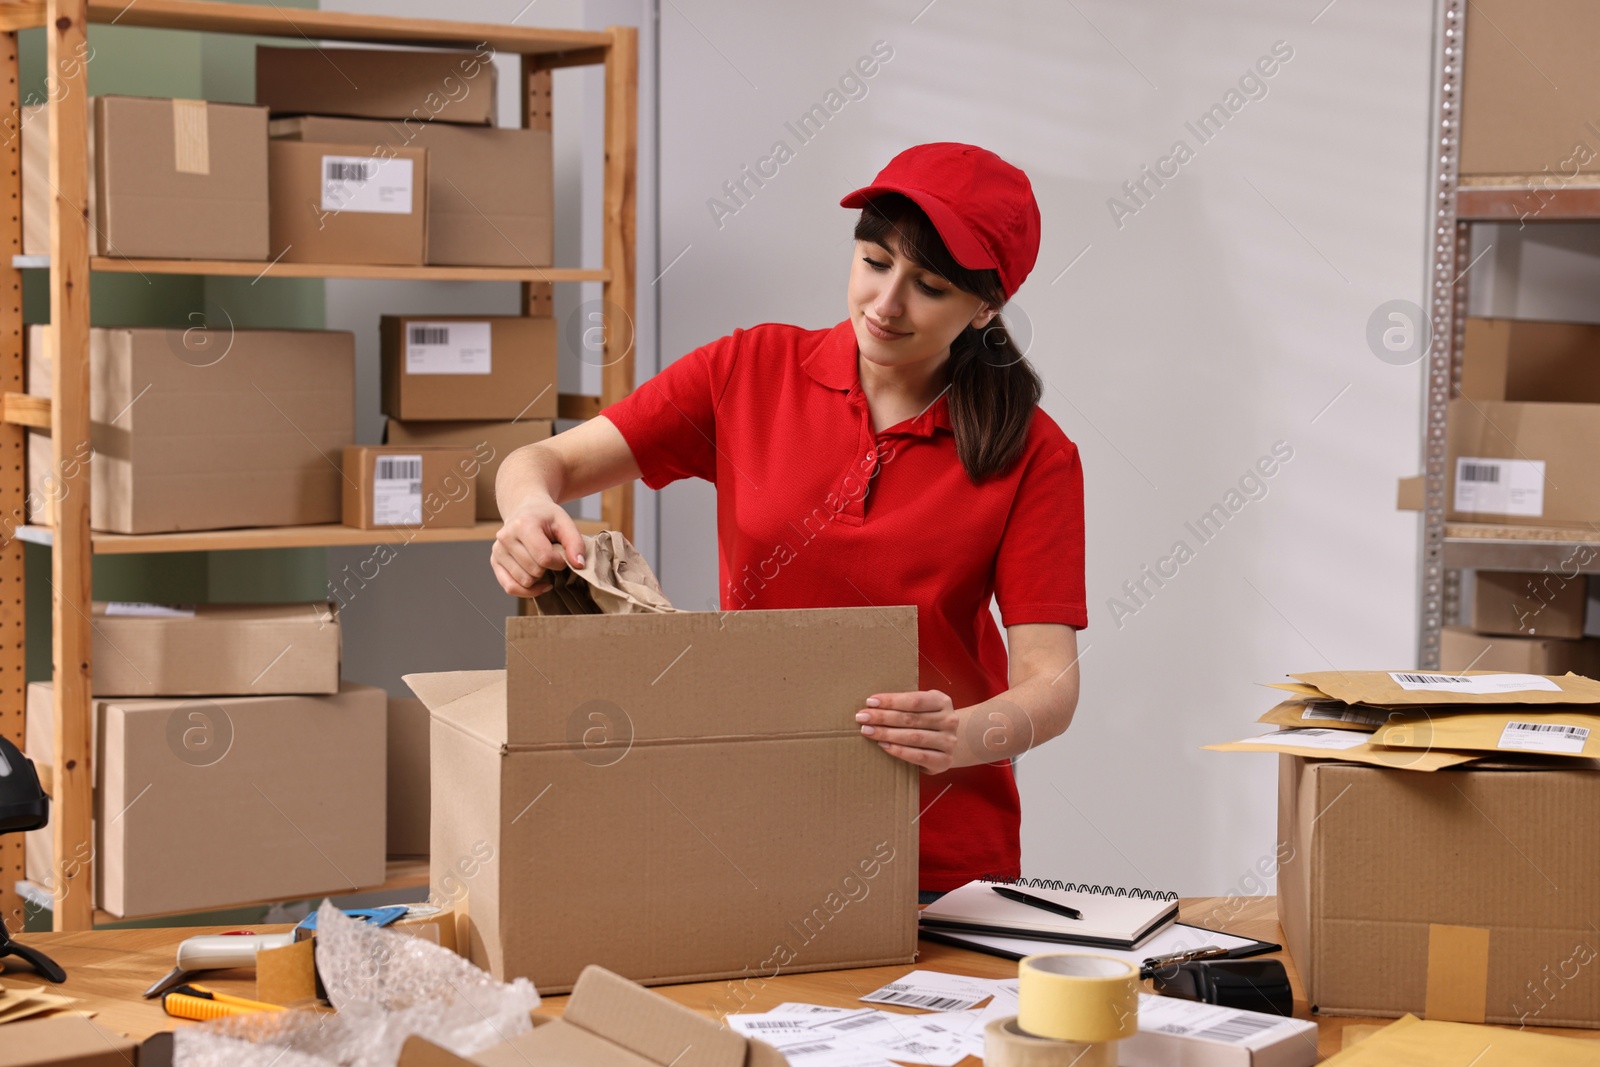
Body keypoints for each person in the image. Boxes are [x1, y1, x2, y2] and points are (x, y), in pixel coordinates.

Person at [490, 142, 1086, 898]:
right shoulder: (748, 371)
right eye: (874, 261)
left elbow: (1050, 684)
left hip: (934, 854)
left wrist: (963, 735)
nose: (886, 303)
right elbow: (546, 464)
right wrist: (528, 509)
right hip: (752, 822)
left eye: (929, 286)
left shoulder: (1035, 453)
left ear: (986, 307)